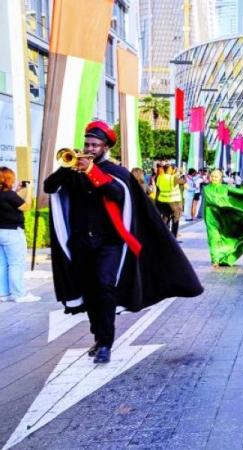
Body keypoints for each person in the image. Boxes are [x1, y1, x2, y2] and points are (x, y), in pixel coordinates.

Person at [44, 121, 203, 363]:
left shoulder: (114, 172)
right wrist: (66, 168)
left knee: (105, 286)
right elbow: (49, 187)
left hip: (110, 242)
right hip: (81, 243)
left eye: (95, 145)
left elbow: (117, 194)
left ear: (105, 147)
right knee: (90, 292)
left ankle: (106, 342)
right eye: (87, 144)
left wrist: (91, 171)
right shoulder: (73, 170)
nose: (89, 148)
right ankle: (98, 336)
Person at [0, 169, 39, 303]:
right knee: (16, 264)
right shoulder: (9, 195)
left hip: (1, 232)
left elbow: (7, 202)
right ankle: (19, 295)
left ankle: (3, 294)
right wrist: (29, 190)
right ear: (8, 179)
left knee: (2, 264)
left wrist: (16, 190)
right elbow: (26, 207)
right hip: (13, 233)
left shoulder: (7, 195)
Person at [156, 164, 185, 238]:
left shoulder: (159, 177)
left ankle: (163, 236)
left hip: (163, 201)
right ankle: (173, 237)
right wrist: (177, 174)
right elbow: (183, 181)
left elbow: (158, 187)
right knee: (175, 220)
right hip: (174, 202)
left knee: (165, 218)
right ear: (171, 170)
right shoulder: (173, 178)